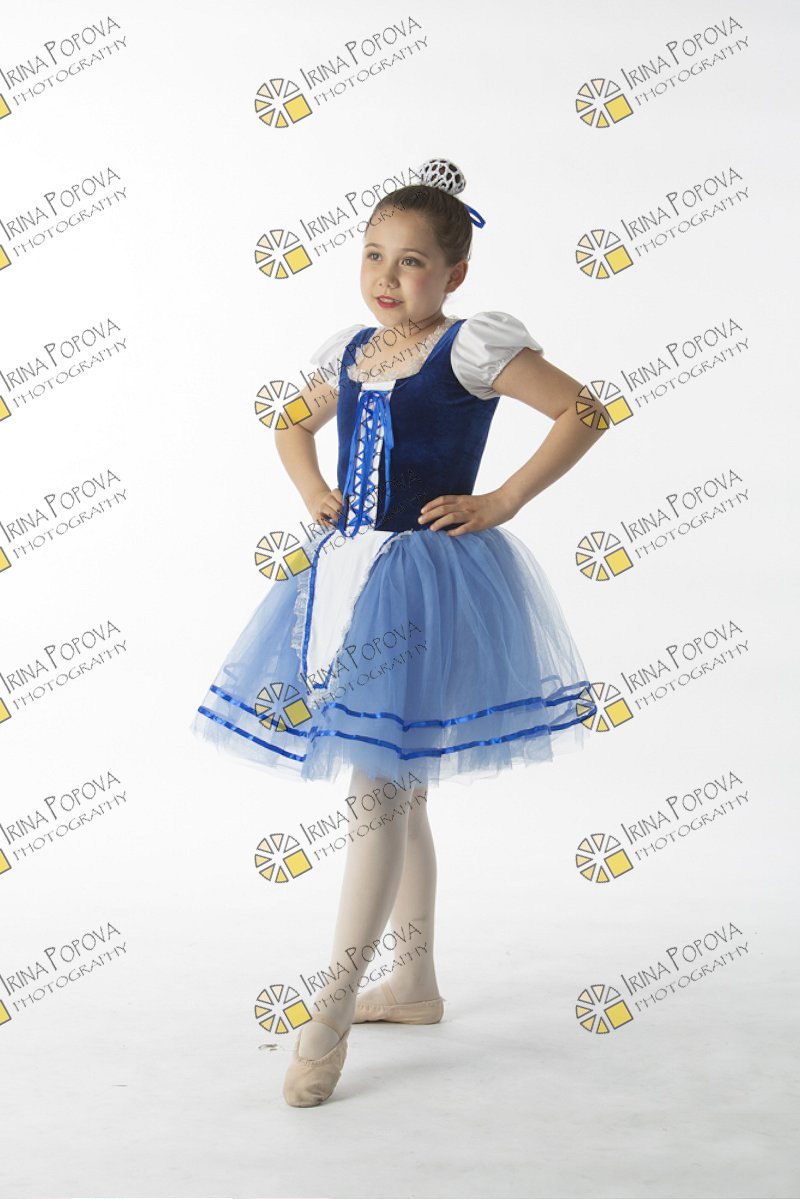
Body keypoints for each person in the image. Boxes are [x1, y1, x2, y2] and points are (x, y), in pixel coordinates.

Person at [190, 157, 606, 1107]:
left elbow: (583, 409)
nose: (388, 276)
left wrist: (502, 498)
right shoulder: (353, 348)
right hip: (346, 579)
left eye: (412, 261)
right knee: (397, 787)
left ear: (454, 274)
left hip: (425, 586)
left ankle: (331, 1009)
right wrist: (312, 489)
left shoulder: (470, 347)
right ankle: (413, 982)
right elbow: (291, 424)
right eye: (374, 254)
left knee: (377, 791)